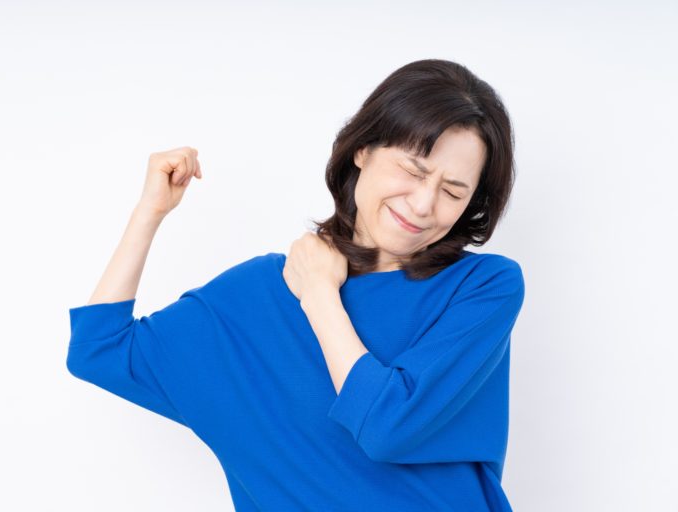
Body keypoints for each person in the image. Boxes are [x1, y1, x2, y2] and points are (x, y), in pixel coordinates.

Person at [65, 59, 526, 511]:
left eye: (453, 192)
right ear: (363, 150)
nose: (424, 204)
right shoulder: (257, 294)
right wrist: (150, 211)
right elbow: (99, 349)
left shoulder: (482, 287)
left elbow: (388, 426)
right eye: (413, 170)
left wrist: (321, 294)